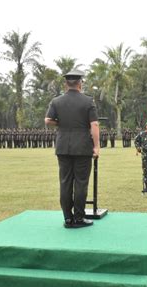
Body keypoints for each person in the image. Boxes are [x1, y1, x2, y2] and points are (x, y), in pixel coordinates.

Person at [45, 69, 99, 229]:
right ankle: (79, 218)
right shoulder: (88, 101)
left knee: (65, 182)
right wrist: (96, 146)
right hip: (82, 146)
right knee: (81, 183)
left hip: (63, 146)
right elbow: (94, 124)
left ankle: (68, 218)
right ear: (80, 83)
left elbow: (48, 120)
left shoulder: (56, 101)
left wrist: (60, 123)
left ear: (66, 84)